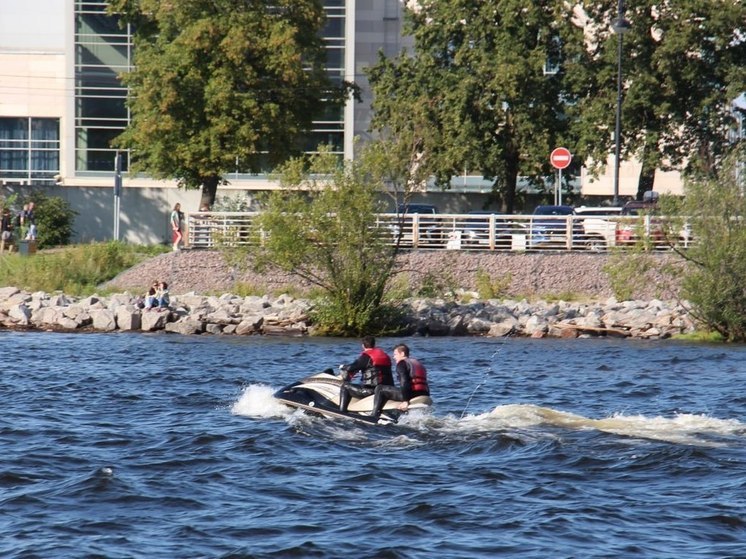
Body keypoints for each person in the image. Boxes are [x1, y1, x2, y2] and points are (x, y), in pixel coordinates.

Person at [370, 343, 430, 420]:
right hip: (424, 394)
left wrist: (405, 401)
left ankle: (373, 415)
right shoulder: (418, 363)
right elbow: (425, 384)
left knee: (380, 388)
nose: (394, 357)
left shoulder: (402, 364)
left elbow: (404, 382)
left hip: (412, 394)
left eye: (395, 354)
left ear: (402, 353)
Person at [338, 335, 393, 413]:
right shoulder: (385, 355)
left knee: (345, 387)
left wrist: (343, 366)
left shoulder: (366, 357)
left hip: (371, 390)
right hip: (386, 390)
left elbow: (351, 367)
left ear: (363, 346)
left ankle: (342, 412)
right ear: (374, 344)